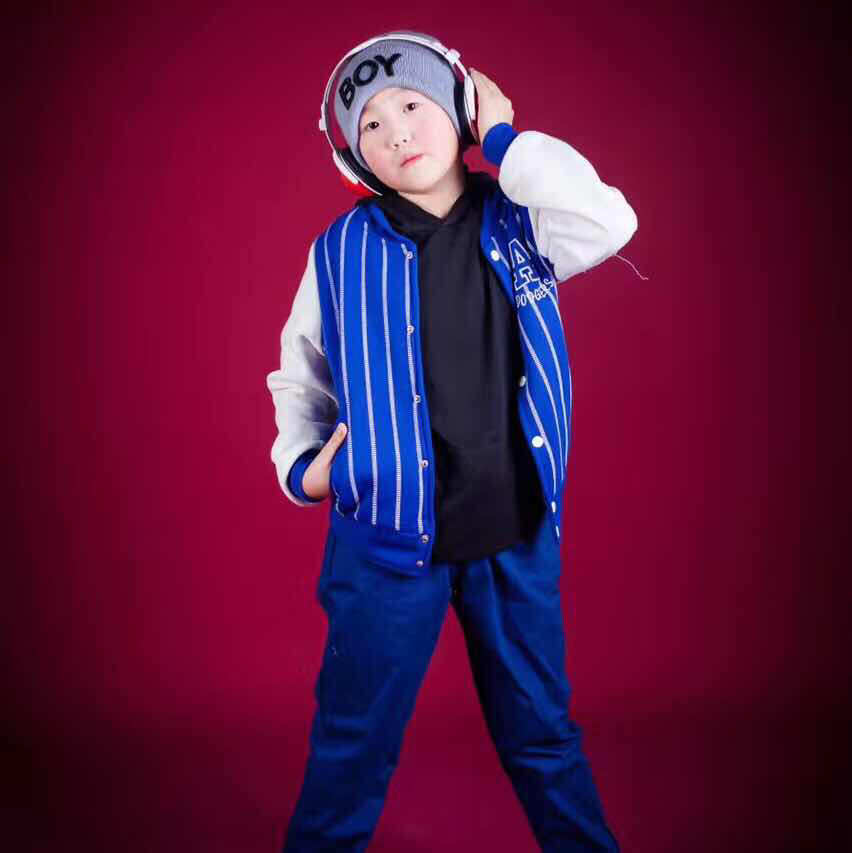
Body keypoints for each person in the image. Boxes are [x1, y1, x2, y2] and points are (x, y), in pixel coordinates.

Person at [266, 33, 637, 852]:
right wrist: (303, 465)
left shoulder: (526, 218)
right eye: (370, 124)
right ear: (353, 157)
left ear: (459, 107)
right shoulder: (338, 252)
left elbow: (613, 220)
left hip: (513, 532)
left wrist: (503, 139)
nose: (397, 130)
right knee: (352, 744)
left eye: (412, 103)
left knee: (543, 736)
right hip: (385, 545)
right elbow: (300, 372)